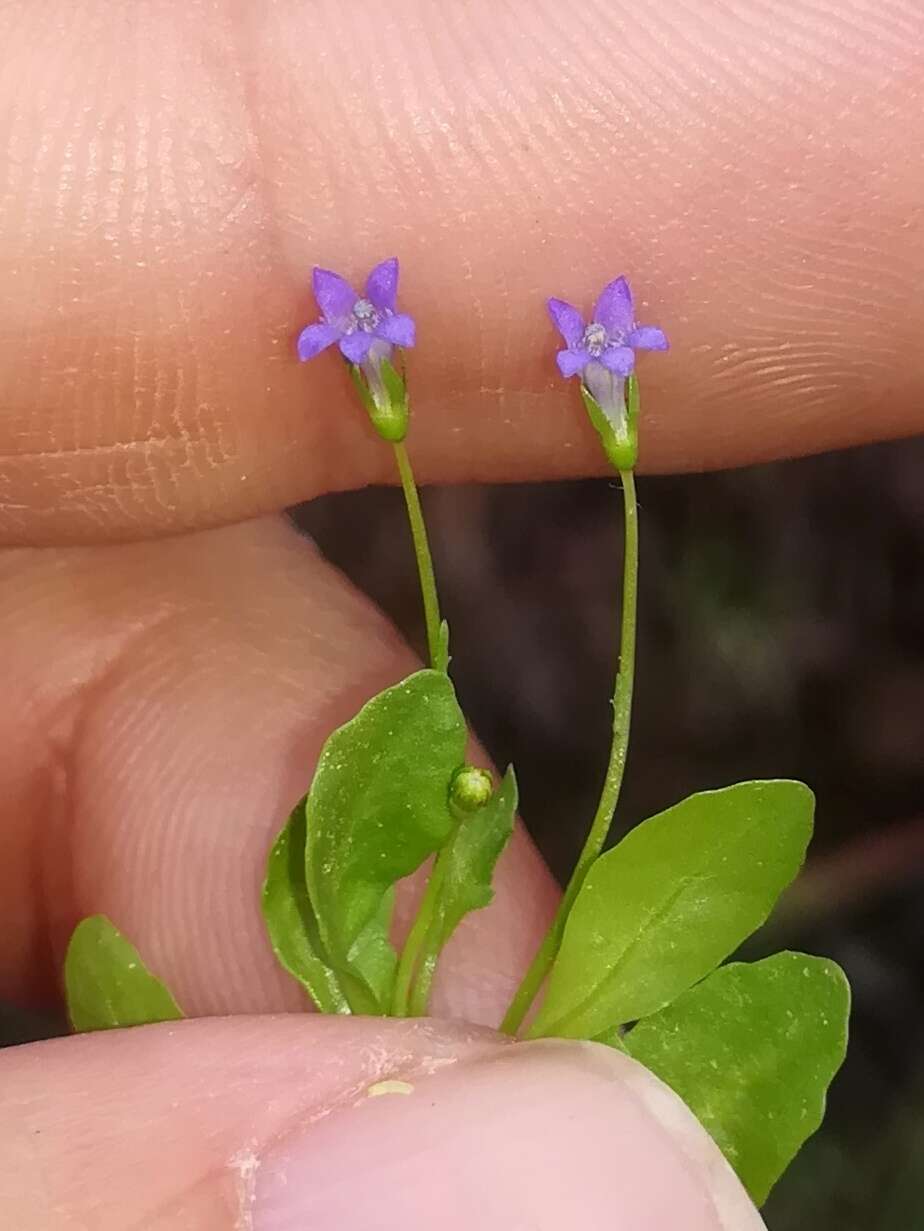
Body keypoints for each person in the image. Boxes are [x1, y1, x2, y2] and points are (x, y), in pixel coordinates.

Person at [1, 2, 922, 1225]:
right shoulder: (377, 342)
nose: (367, 331)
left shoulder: (528, 366)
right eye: (359, 323)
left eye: (608, 350)